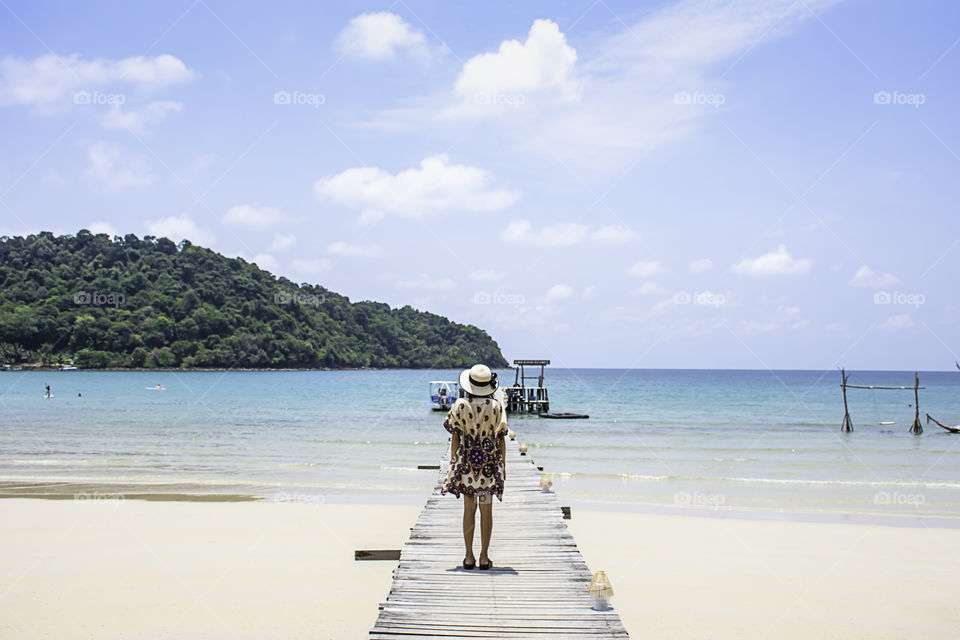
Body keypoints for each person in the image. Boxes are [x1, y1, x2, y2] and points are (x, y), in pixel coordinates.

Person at [441, 364, 508, 570]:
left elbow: (455, 437)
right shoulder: (496, 406)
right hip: (488, 466)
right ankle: (484, 557)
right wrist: (503, 465)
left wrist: (454, 462)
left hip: (468, 465)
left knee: (469, 509)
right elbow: (501, 438)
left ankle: (469, 556)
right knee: (486, 510)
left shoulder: (460, 405)